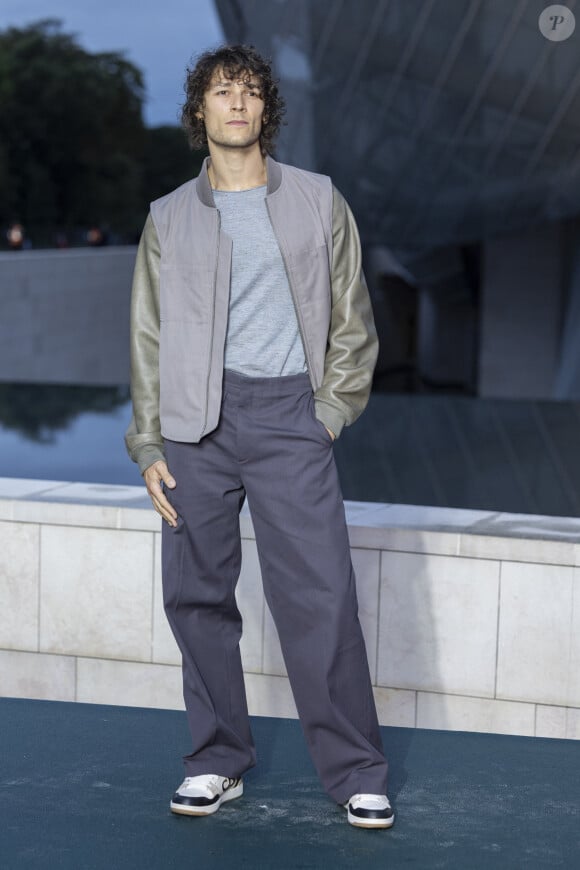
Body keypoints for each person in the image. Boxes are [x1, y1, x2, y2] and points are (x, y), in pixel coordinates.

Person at [125, 44, 393, 830]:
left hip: (290, 419)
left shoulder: (318, 199)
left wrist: (330, 413)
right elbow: (148, 337)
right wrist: (149, 445)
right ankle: (216, 761)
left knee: (323, 599)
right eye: (220, 92)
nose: (235, 104)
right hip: (193, 427)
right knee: (197, 597)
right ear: (200, 111)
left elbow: (354, 320)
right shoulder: (168, 218)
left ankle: (355, 772)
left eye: (248, 92)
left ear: (264, 110)